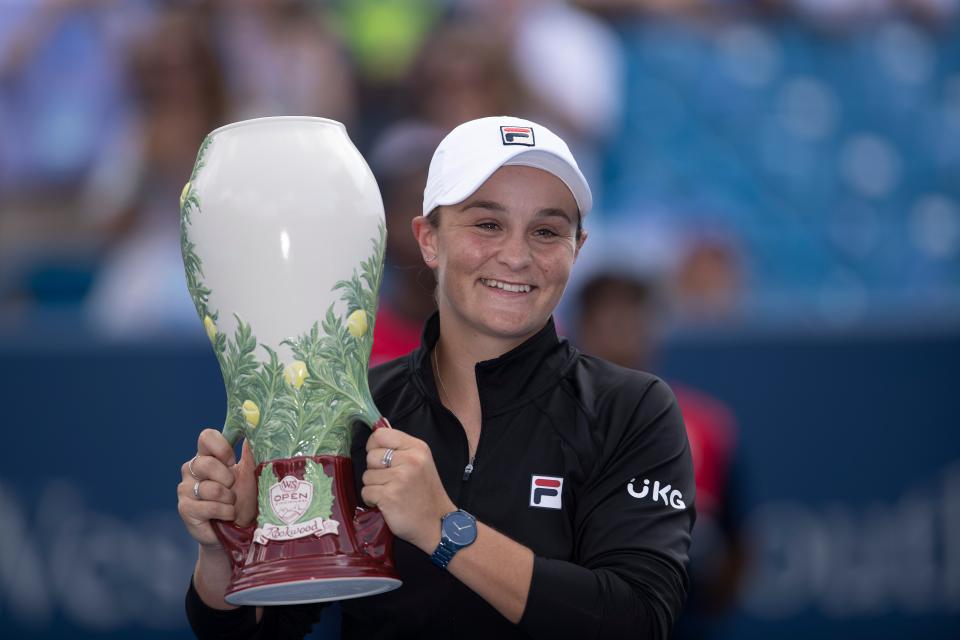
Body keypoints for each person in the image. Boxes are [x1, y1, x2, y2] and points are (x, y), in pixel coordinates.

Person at [177, 116, 696, 639]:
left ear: (575, 250)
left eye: (546, 231)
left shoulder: (631, 408)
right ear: (428, 240)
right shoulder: (350, 412)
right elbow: (264, 632)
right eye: (487, 224)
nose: (516, 256)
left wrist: (443, 528)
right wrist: (225, 553)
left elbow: (637, 620)